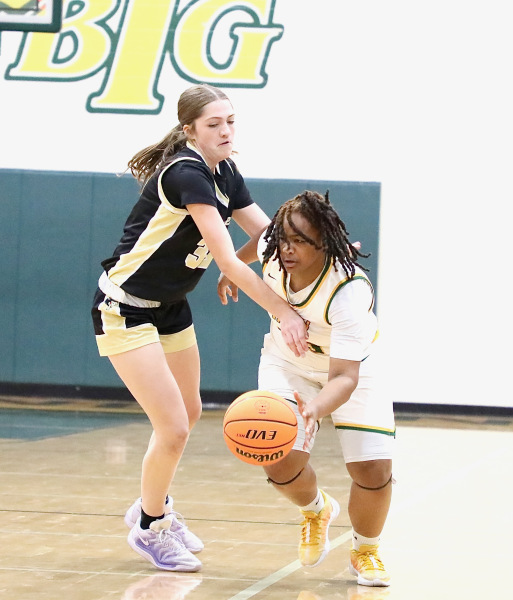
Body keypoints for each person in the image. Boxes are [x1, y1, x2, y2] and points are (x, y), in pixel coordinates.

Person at [91, 83, 308, 572]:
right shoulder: (187, 174)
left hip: (170, 306)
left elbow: (266, 234)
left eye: (230, 121)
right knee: (171, 427)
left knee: (187, 415)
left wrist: (327, 249)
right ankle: (150, 526)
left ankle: (152, 504)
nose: (226, 131)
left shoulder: (225, 170)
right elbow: (226, 258)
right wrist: (283, 311)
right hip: (126, 306)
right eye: (214, 124)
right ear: (190, 130)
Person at [218, 190, 395, 587]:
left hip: (353, 371)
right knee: (278, 459)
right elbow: (260, 240)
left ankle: (365, 551)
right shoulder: (274, 247)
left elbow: (344, 377)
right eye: (284, 239)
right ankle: (316, 510)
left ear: (325, 243)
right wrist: (235, 268)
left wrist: (315, 408)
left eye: (300, 241)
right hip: (287, 362)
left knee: (372, 470)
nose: (287, 248)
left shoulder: (348, 290)